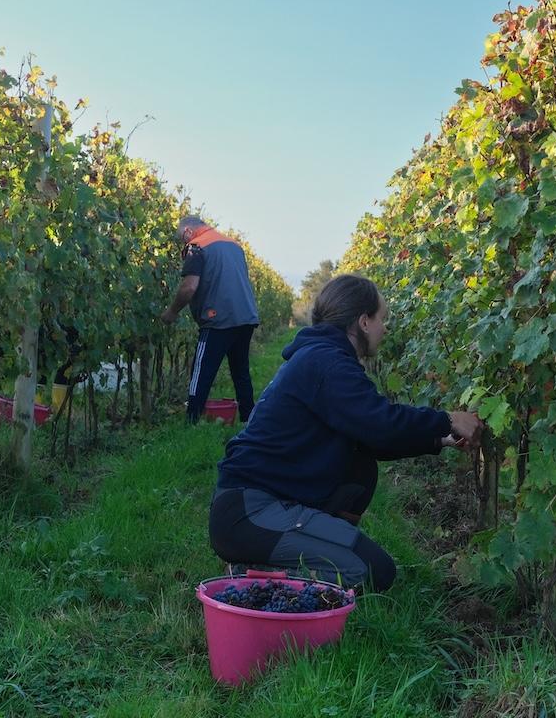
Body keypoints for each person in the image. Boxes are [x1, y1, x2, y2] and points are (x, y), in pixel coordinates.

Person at [208, 274, 481, 591]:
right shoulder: (326, 361)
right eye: (382, 319)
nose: (386, 328)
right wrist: (447, 419)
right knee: (369, 573)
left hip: (258, 507)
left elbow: (369, 435)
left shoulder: (320, 356)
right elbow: (380, 423)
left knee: (358, 468)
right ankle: (254, 573)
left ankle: (276, 557)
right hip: (251, 515)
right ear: (363, 321)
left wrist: (439, 439)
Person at [160, 215, 259, 424]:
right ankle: (249, 420)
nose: (183, 243)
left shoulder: (197, 246)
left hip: (218, 318)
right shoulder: (234, 245)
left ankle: (192, 421)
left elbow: (189, 287)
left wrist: (172, 312)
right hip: (246, 316)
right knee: (240, 371)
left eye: (182, 238)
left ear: (188, 231)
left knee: (202, 372)